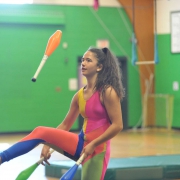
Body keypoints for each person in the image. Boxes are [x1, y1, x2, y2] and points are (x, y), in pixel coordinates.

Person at [0, 47, 124, 180]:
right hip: (81, 144)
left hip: (98, 150)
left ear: (99, 67)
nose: (83, 63)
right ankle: (2, 157)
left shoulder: (108, 91)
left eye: (88, 60)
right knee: (41, 132)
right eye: (82, 60)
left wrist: (93, 144)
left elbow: (117, 125)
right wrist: (48, 144)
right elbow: (65, 125)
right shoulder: (79, 96)